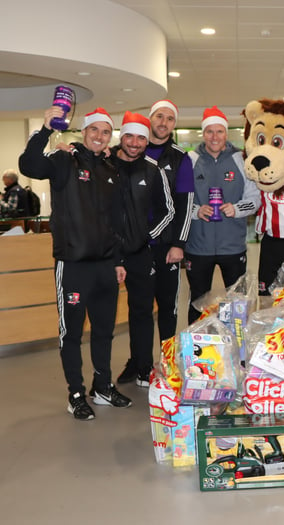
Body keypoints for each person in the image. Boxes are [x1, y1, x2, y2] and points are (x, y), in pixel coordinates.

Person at [18, 106, 131, 420]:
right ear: (84, 132)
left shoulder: (111, 169)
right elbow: (28, 164)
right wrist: (44, 130)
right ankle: (76, 394)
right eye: (94, 129)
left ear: (110, 136)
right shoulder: (64, 160)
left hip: (106, 266)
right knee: (71, 334)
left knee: (104, 331)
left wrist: (118, 259)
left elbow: (115, 221)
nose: (99, 136)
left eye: (106, 131)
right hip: (73, 265)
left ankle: (103, 387)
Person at [117, 100, 194, 385]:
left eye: (170, 118)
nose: (163, 122)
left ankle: (168, 362)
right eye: (159, 116)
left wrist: (179, 244)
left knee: (167, 308)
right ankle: (139, 363)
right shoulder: (131, 152)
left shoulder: (180, 158)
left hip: (166, 246)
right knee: (138, 308)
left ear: (174, 124)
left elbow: (185, 206)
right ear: (150, 119)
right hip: (135, 247)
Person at [112, 111, 174, 387]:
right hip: (105, 254)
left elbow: (168, 211)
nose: (135, 142)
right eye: (130, 136)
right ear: (121, 137)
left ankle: (142, 365)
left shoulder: (152, 170)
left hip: (139, 253)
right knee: (103, 316)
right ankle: (103, 381)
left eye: (141, 137)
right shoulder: (104, 166)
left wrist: (146, 237)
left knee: (141, 311)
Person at [184, 106, 260, 324]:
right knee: (197, 303)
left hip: (233, 246)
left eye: (219, 131)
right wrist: (197, 211)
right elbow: (180, 203)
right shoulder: (189, 160)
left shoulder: (241, 159)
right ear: (203, 134)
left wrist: (236, 209)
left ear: (226, 133)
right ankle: (196, 351)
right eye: (209, 131)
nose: (214, 137)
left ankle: (239, 353)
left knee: (238, 303)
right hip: (198, 247)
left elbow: (255, 200)